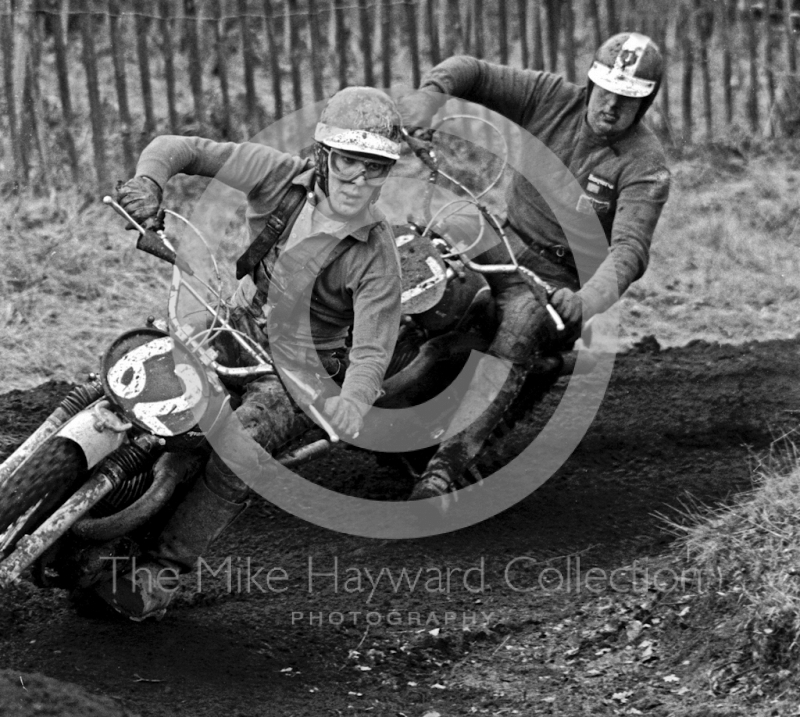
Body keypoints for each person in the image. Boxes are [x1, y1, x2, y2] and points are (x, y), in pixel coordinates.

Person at [95, 87, 404, 620]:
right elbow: (182, 148)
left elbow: (372, 353)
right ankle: (58, 468)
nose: (360, 179)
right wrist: (149, 182)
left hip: (300, 372)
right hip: (231, 324)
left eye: (375, 168)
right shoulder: (277, 176)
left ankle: (163, 569)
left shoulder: (377, 255)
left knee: (244, 446)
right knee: (134, 371)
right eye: (351, 161)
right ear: (323, 156)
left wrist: (350, 405)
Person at [400, 33, 671, 507]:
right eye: (605, 90)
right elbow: (474, 71)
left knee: (521, 324)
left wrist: (584, 301)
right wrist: (431, 94)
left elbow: (628, 252)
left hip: (557, 283)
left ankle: (447, 466)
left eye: (627, 98)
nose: (610, 106)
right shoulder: (549, 97)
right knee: (414, 255)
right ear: (589, 82)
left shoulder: (645, 166)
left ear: (645, 102)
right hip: (501, 240)